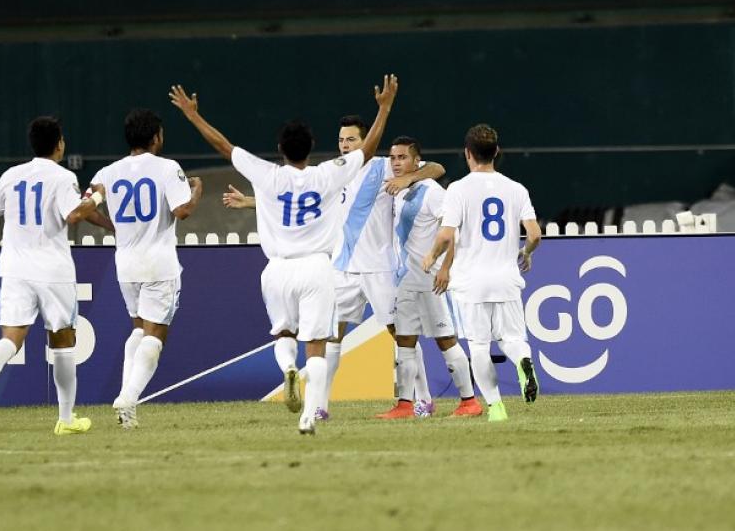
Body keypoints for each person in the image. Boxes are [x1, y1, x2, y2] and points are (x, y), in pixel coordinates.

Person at [169, 75, 398, 434]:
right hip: (316, 268)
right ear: (312, 147)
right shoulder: (327, 174)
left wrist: (193, 115)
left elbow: (224, 146)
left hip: (276, 270)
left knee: (285, 335)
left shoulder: (267, 175)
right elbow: (366, 152)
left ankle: (288, 368)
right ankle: (308, 417)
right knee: (318, 345)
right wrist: (384, 108)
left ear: (280, 148)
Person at [221, 116, 445, 421]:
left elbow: (436, 168)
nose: (345, 145)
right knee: (331, 338)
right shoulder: (337, 171)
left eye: (352, 140)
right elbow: (300, 205)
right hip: (341, 266)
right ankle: (320, 406)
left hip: (378, 267)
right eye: (341, 140)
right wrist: (249, 201)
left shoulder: (383, 166)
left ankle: (424, 399)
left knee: (400, 334)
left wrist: (409, 178)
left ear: (365, 141)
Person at [0, 116, 112, 435]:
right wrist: (97, 196)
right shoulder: (63, 177)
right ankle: (66, 419)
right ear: (59, 144)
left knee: (11, 338)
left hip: (15, 268)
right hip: (52, 270)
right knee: (63, 342)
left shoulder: (12, 174)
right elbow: (74, 215)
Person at [422, 124, 542, 423]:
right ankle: (523, 360)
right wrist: (526, 253)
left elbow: (446, 234)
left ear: (468, 154)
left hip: (471, 281)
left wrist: (432, 256)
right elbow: (535, 234)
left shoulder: (458, 189)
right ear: (496, 152)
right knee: (512, 339)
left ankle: (496, 407)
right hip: (506, 278)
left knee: (478, 345)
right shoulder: (516, 189)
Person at [91, 109, 202, 429]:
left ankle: (127, 405)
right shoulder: (167, 168)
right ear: (156, 137)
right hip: (159, 263)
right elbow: (182, 210)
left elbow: (85, 208)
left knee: (139, 329)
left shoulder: (107, 173)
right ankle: (128, 398)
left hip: (126, 264)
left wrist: (112, 226)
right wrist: (197, 190)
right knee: (155, 335)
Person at [377, 136, 482, 418]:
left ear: (416, 161)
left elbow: (453, 229)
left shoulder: (432, 191)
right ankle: (405, 405)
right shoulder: (399, 188)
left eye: (402, 158)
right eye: (393, 158)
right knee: (405, 341)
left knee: (445, 339)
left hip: (428, 280)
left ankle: (469, 401)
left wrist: (445, 267)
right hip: (406, 280)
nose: (396, 163)